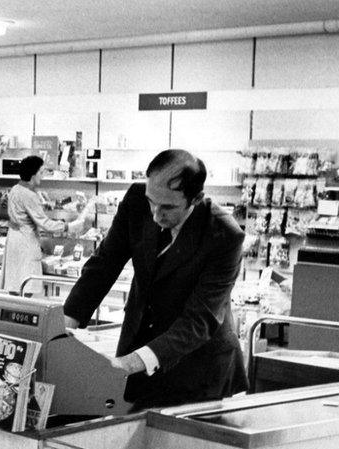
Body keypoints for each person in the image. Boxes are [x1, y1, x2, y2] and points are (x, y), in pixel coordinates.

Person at [62, 149, 246, 411]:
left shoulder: (223, 234)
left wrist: (132, 362)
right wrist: (65, 324)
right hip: (138, 346)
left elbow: (199, 320)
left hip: (198, 367)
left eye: (168, 207)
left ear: (195, 198)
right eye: (152, 202)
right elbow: (104, 264)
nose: (156, 214)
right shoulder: (137, 200)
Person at [2, 155, 93, 292]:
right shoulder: (29, 195)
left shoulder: (15, 189)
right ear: (33, 174)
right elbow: (45, 223)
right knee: (27, 284)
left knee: (14, 283)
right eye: (41, 172)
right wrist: (68, 226)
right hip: (25, 241)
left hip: (13, 239)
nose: (43, 176)